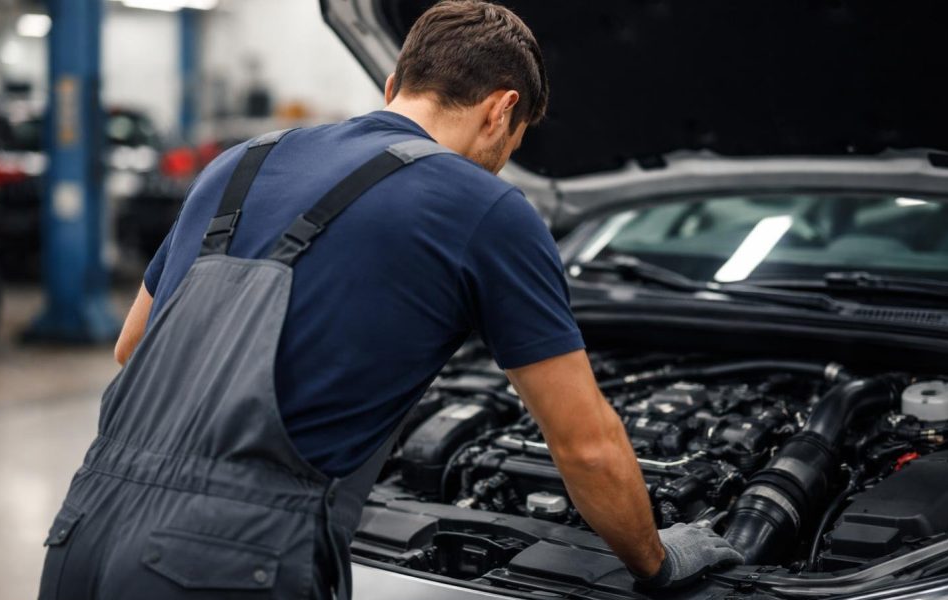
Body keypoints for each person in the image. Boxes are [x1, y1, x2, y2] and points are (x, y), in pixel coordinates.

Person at [39, 2, 741, 599]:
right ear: (503, 111)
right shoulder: (487, 208)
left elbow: (134, 347)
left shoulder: (241, 162)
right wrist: (659, 559)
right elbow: (585, 447)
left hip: (86, 529)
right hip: (226, 561)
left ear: (392, 82)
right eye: (517, 137)